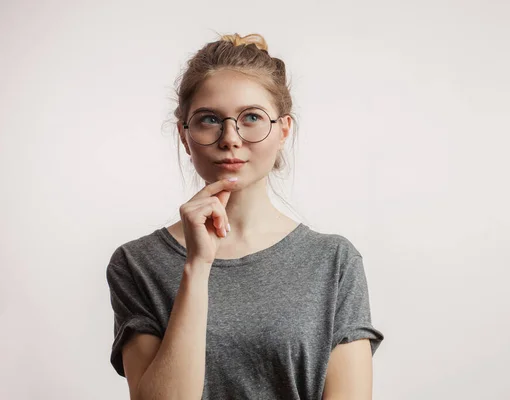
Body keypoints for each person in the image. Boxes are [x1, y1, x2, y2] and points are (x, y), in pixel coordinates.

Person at [105, 32, 384, 399]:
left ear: (283, 129)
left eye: (251, 117)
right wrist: (197, 267)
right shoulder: (137, 263)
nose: (230, 138)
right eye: (209, 120)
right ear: (184, 136)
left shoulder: (333, 263)